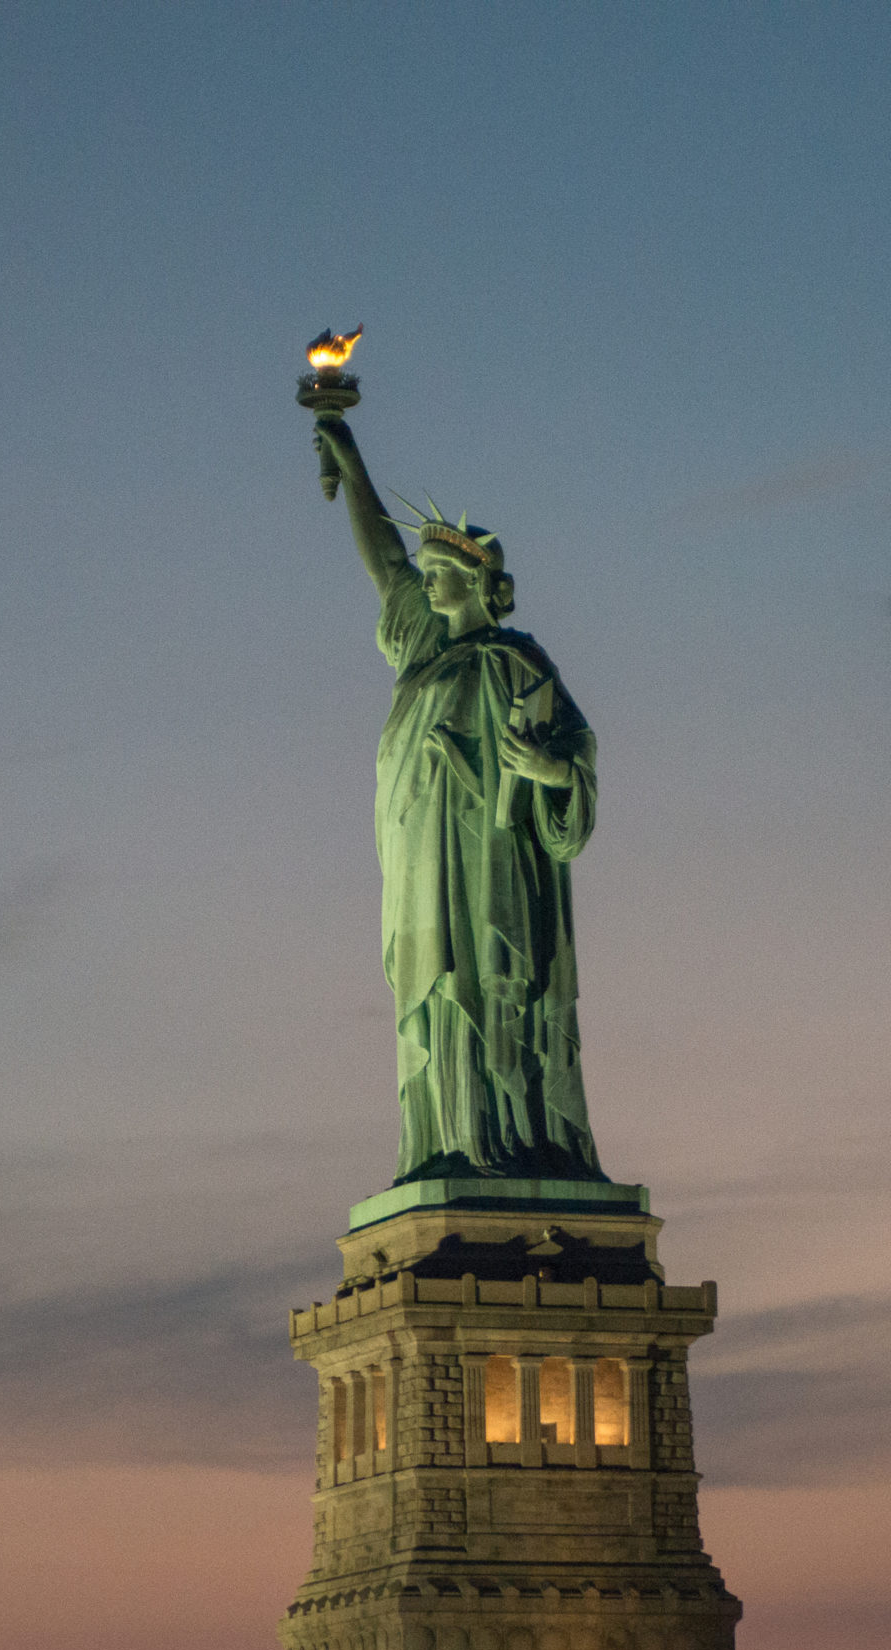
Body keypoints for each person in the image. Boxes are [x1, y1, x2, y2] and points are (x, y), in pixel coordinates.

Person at [317, 411, 606, 1185]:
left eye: (439, 565)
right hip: (422, 861)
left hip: (496, 868)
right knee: (439, 989)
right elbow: (383, 561)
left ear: (477, 581)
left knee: (492, 984)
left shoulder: (517, 662)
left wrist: (549, 774)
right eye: (427, 564)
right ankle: (448, 1139)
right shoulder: (420, 645)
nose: (424, 572)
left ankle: (510, 1139)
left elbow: (578, 751)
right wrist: (350, 461)